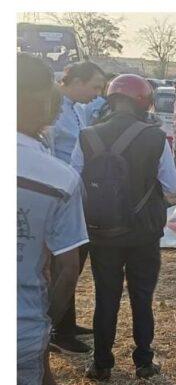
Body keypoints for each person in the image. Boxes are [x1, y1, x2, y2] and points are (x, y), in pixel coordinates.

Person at [70, 74, 176, 380]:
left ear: (110, 99)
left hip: (101, 232)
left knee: (105, 297)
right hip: (143, 234)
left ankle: (101, 364)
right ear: (144, 102)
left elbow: (72, 182)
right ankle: (144, 361)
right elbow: (173, 186)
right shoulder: (155, 138)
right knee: (141, 297)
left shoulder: (86, 135)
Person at [17, 55, 88, 385]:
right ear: (45, 103)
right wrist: (46, 325)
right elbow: (67, 271)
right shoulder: (59, 179)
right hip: (21, 333)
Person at [49, 62, 105, 355]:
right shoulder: (52, 110)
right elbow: (49, 152)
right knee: (63, 266)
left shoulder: (79, 110)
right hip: (57, 197)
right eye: (94, 87)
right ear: (77, 81)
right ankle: (56, 330)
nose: (97, 95)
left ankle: (67, 323)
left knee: (75, 261)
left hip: (76, 196)